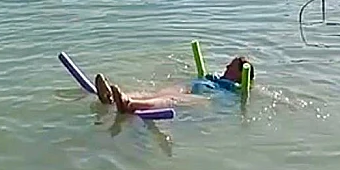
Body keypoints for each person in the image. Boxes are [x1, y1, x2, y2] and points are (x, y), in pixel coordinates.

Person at [94, 56, 255, 114]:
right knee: (157, 92)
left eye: (231, 65)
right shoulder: (216, 77)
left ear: (240, 73)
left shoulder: (236, 88)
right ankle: (114, 98)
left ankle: (129, 104)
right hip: (197, 87)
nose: (226, 67)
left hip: (206, 99)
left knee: (172, 98)